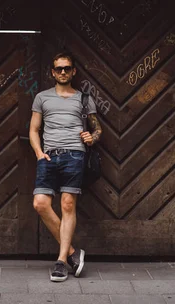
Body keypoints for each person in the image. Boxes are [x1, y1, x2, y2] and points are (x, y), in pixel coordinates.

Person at [29, 52, 103, 282]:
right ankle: (73, 253)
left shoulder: (84, 99)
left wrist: (92, 138)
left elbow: (98, 130)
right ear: (52, 72)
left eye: (67, 68)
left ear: (73, 72)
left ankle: (61, 262)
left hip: (75, 155)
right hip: (49, 157)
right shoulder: (42, 97)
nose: (63, 72)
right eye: (58, 68)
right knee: (40, 204)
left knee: (68, 204)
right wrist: (39, 153)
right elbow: (33, 130)